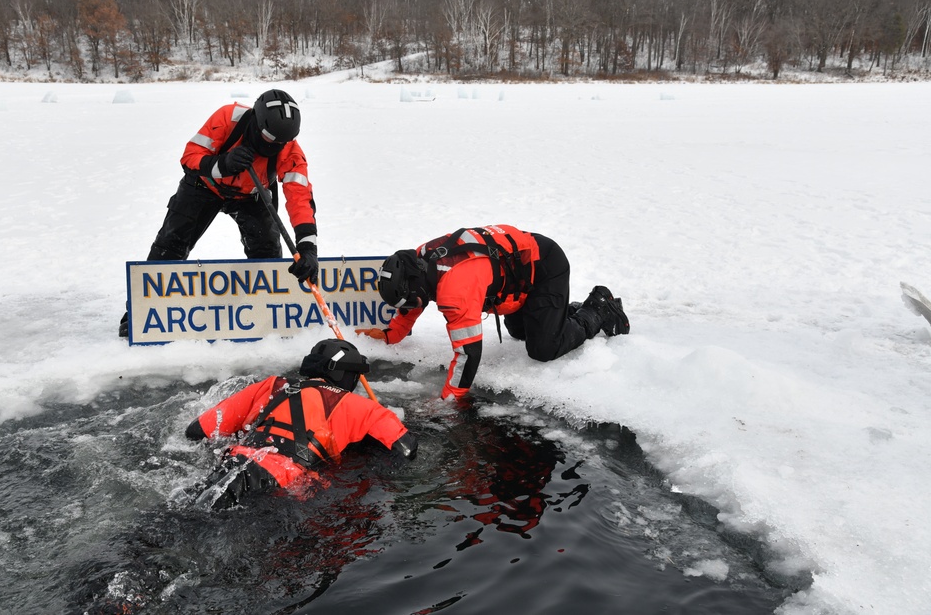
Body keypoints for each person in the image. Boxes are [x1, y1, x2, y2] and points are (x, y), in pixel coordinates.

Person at [119, 88, 319, 337]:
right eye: (271, 139)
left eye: (282, 142)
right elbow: (189, 157)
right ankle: (142, 310)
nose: (276, 146)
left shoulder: (288, 148)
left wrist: (308, 248)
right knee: (171, 244)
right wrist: (222, 164)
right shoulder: (229, 117)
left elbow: (300, 197)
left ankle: (268, 310)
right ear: (257, 124)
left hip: (252, 195)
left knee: (267, 255)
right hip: (205, 186)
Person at [356, 224, 629, 399]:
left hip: (544, 266)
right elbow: (416, 296)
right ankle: (559, 313)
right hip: (518, 272)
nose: (411, 310)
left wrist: (449, 402)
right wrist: (391, 334)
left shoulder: (455, 289)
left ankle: (598, 308)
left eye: (410, 303)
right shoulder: (416, 260)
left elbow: (468, 354)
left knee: (543, 349)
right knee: (518, 331)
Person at [185, 339, 418, 509]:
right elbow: (406, 449)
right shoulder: (360, 406)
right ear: (346, 375)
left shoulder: (272, 385)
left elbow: (196, 431)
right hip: (280, 485)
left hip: (231, 466)